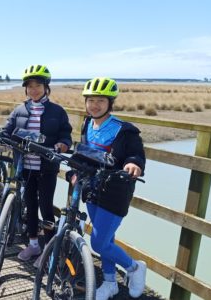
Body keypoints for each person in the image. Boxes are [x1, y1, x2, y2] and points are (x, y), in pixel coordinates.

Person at [0, 64, 72, 266]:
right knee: (30, 206)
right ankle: (34, 244)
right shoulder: (19, 110)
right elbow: (7, 131)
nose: (34, 90)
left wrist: (63, 144)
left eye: (38, 85)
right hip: (25, 167)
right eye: (30, 86)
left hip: (46, 169)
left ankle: (49, 250)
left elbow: (65, 135)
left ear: (46, 87)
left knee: (46, 208)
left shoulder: (57, 111)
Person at [71, 77, 147, 299]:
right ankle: (110, 281)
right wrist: (76, 171)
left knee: (99, 242)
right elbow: (84, 152)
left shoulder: (124, 130)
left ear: (110, 102)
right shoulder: (87, 123)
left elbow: (135, 154)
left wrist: (134, 164)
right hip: (92, 189)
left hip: (114, 193)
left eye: (100, 101)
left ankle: (134, 267)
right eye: (91, 100)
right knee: (108, 239)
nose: (95, 105)